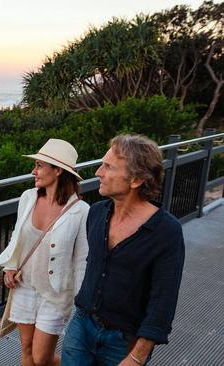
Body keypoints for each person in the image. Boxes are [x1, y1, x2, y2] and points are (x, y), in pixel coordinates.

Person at [61, 134, 185, 365]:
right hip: (82, 325)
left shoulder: (166, 232)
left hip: (124, 341)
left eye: (107, 166)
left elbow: (163, 302)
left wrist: (137, 357)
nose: (98, 172)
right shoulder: (96, 213)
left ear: (136, 180)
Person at [0, 138, 89, 366]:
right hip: (25, 285)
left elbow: (82, 259)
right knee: (26, 349)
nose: (33, 171)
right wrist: (10, 266)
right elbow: (18, 236)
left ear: (57, 170)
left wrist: (82, 302)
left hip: (55, 294)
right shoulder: (28, 197)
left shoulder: (81, 211)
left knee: (41, 357)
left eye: (39, 166)